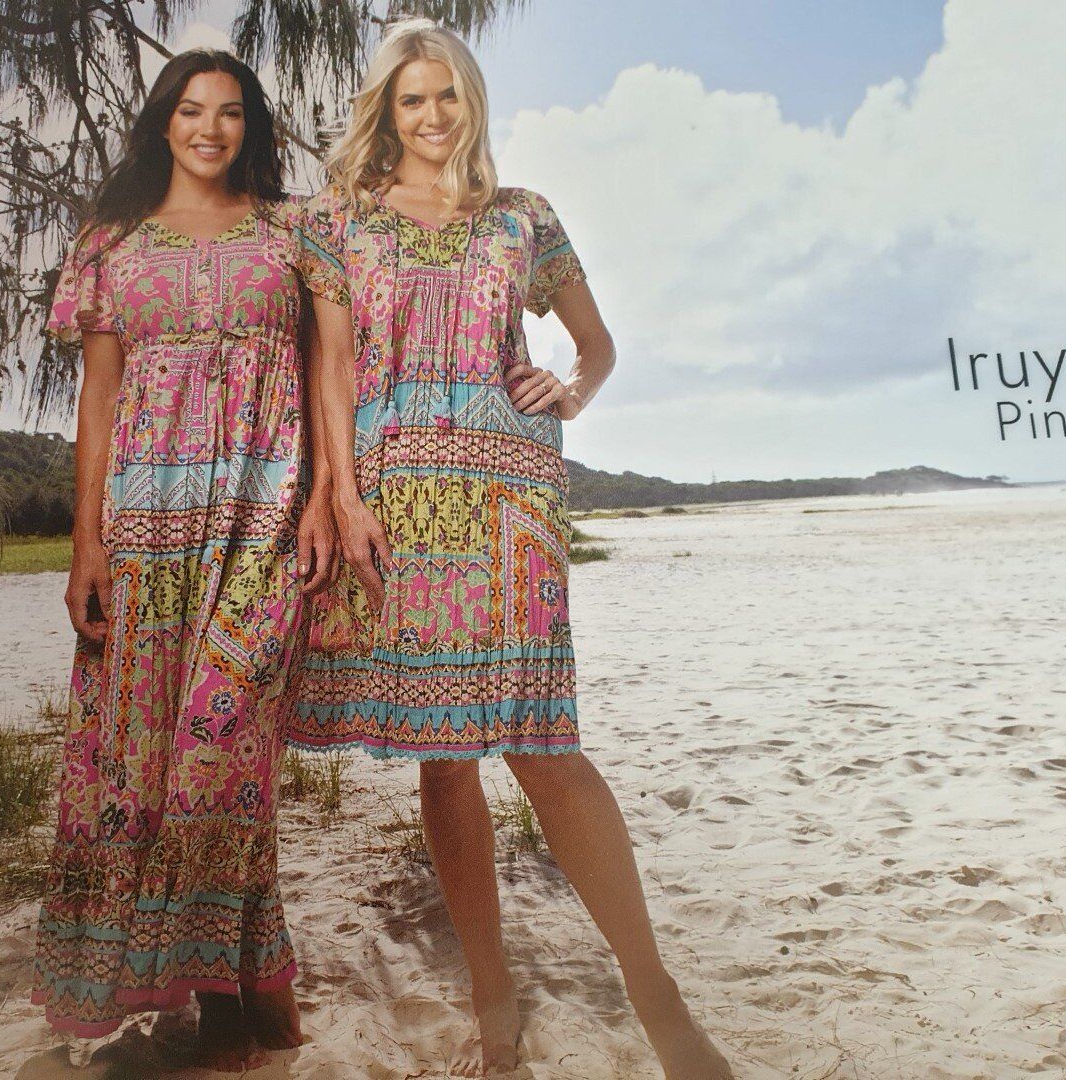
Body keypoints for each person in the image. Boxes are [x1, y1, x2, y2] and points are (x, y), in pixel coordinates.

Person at [290, 17, 735, 1080]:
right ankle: (494, 999)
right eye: (412, 100)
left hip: (509, 500)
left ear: (471, 102)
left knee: (543, 743)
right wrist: (341, 491)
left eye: (449, 96)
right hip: (400, 502)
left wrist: (570, 388)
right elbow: (334, 373)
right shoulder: (337, 224)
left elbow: (596, 345)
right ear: (385, 112)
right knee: (444, 760)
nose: (434, 116)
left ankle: (655, 993)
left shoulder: (523, 219)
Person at [31, 47, 334, 1070]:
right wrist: (86, 548)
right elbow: (99, 404)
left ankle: (249, 973)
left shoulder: (294, 235)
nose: (211, 129)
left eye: (231, 113)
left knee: (225, 748)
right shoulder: (109, 244)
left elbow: (336, 368)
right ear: (163, 122)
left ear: (252, 127)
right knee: (149, 761)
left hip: (262, 521)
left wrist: (329, 498)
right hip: (144, 531)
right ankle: (231, 985)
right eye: (192, 111)